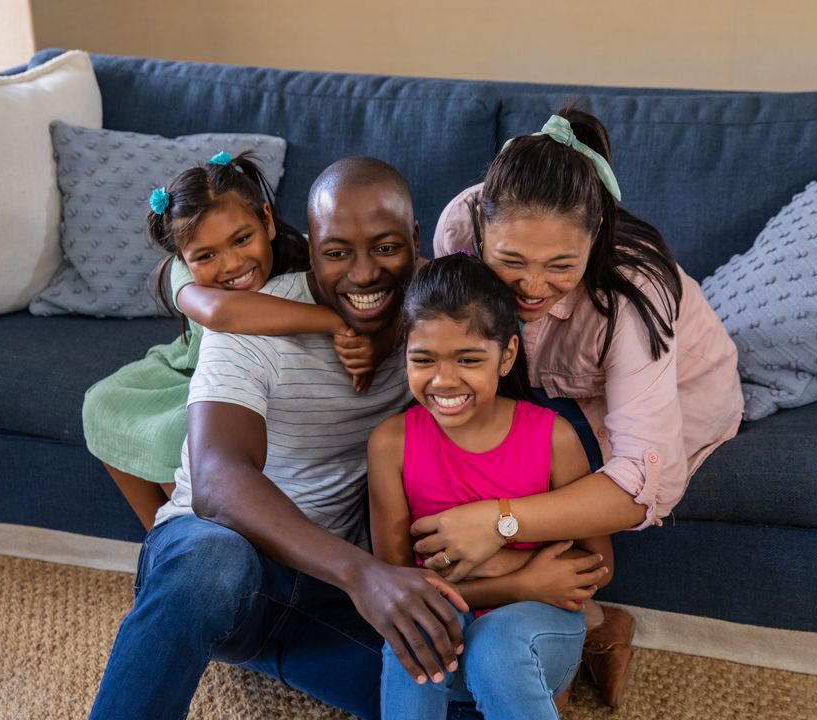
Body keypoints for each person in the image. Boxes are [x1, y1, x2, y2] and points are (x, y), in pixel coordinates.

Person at [90, 157, 471, 720]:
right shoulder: (250, 324)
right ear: (311, 247)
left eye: (386, 248)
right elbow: (218, 483)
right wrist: (363, 574)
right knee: (212, 565)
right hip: (225, 559)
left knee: (466, 697)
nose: (364, 274)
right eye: (337, 252)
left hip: (326, 593)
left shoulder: (434, 315)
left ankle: (274, 652)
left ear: (415, 242)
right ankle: (213, 621)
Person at [426, 108, 744, 706]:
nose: (532, 287)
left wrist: (497, 520)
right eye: (511, 261)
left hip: (668, 392)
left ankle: (577, 628)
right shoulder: (460, 226)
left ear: (595, 235)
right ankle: (574, 620)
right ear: (482, 226)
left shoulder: (634, 290)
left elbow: (641, 484)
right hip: (538, 379)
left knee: (530, 477)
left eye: (561, 266)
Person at [369, 253, 612, 719]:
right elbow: (398, 588)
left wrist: (479, 573)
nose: (444, 380)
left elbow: (597, 567)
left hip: (535, 640)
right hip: (447, 639)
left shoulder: (553, 437)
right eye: (423, 359)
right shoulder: (390, 443)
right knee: (415, 625)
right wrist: (521, 580)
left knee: (494, 647)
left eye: (468, 359)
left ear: (507, 356)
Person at [82, 150, 379, 531]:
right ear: (184, 258)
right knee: (102, 404)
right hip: (191, 372)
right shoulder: (182, 273)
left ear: (267, 220)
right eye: (206, 255)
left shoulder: (308, 254)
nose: (232, 264)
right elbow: (222, 312)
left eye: (242, 239)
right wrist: (333, 322)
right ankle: (161, 534)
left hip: (259, 380)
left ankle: (209, 530)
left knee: (176, 438)